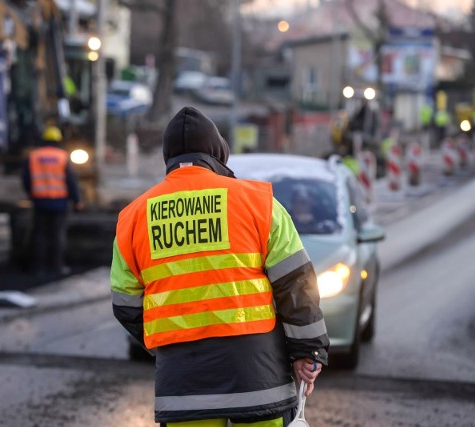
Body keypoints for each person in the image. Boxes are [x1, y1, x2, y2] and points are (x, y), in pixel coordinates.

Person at [110, 106, 329, 427]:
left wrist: (167, 342)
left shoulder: (133, 217)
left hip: (182, 385)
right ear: (218, 155)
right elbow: (295, 284)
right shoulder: (259, 203)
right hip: (258, 379)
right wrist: (306, 352)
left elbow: (125, 303)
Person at [22, 126, 82, 276]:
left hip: (40, 201)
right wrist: (76, 200)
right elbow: (71, 180)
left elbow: (26, 179)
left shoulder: (34, 156)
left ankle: (37, 268)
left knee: (39, 235)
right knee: (57, 235)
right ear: (58, 140)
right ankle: (57, 267)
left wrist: (32, 193)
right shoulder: (62, 156)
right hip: (59, 202)